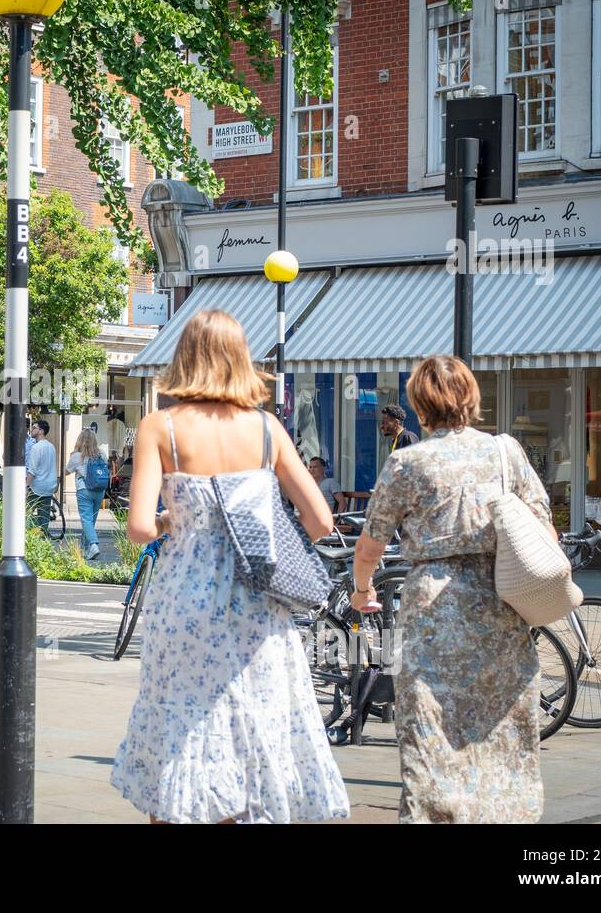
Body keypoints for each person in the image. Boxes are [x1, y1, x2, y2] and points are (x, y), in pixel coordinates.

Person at [110, 309, 349, 824]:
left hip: (185, 601)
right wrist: (266, 534)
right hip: (255, 599)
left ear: (186, 357)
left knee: (183, 724)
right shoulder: (267, 429)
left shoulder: (160, 428)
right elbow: (321, 519)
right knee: (252, 720)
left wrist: (181, 524)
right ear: (240, 359)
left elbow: (138, 529)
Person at [351, 356, 554, 823]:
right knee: (504, 731)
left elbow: (370, 547)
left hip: (434, 614)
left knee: (432, 732)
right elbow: (544, 531)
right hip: (501, 610)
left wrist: (363, 591)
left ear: (419, 403)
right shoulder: (506, 452)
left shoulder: (408, 462)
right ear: (471, 398)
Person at [65, 429, 107, 559]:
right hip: (99, 490)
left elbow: (66, 472)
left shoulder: (77, 456)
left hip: (84, 490)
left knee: (86, 520)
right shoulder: (102, 454)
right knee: (90, 521)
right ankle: (85, 548)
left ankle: (93, 545)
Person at [25, 419, 57, 534]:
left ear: (41, 431)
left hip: (37, 486)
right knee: (44, 515)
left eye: (34, 428)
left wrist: (26, 486)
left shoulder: (36, 447)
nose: (31, 430)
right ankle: (42, 535)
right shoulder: (51, 447)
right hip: (49, 486)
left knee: (24, 512)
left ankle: (30, 535)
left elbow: (32, 471)